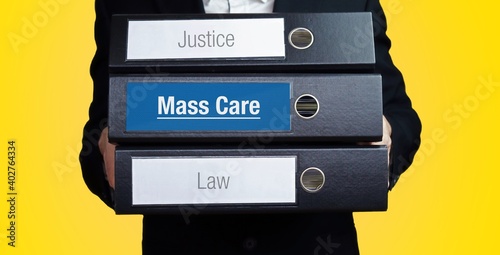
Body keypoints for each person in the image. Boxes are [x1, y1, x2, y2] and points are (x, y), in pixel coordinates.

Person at [80, 0, 421, 254]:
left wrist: (385, 140)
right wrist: (108, 154)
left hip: (313, 243)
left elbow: (400, 117)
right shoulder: (124, 1)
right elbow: (99, 132)